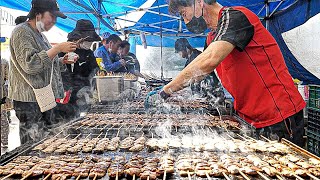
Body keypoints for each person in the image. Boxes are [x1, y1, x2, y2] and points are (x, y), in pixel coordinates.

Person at [145, 0, 306, 147]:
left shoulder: (236, 16)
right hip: (249, 118)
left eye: (183, 14)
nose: (185, 21)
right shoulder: (211, 38)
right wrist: (179, 95)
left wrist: (166, 91)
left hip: (278, 115)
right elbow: (199, 73)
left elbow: (208, 61)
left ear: (199, 2)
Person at [9, 0, 78, 144]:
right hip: (28, 101)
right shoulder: (21, 32)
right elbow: (31, 65)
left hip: (42, 98)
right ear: (38, 14)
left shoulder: (40, 35)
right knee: (32, 144)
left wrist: (61, 61)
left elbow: (45, 64)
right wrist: (57, 49)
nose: (54, 21)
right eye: (52, 16)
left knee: (45, 141)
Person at [58, 19, 101, 119]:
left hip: (83, 97)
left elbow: (95, 70)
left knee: (78, 120)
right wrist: (76, 90)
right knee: (64, 123)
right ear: (77, 39)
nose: (89, 43)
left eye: (91, 41)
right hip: (65, 99)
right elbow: (61, 76)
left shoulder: (89, 53)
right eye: (88, 40)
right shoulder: (63, 51)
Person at [175, 38, 224, 102]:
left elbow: (195, 78)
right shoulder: (190, 59)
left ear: (185, 48)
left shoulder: (197, 57)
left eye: (179, 52)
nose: (179, 54)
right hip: (205, 94)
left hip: (212, 93)